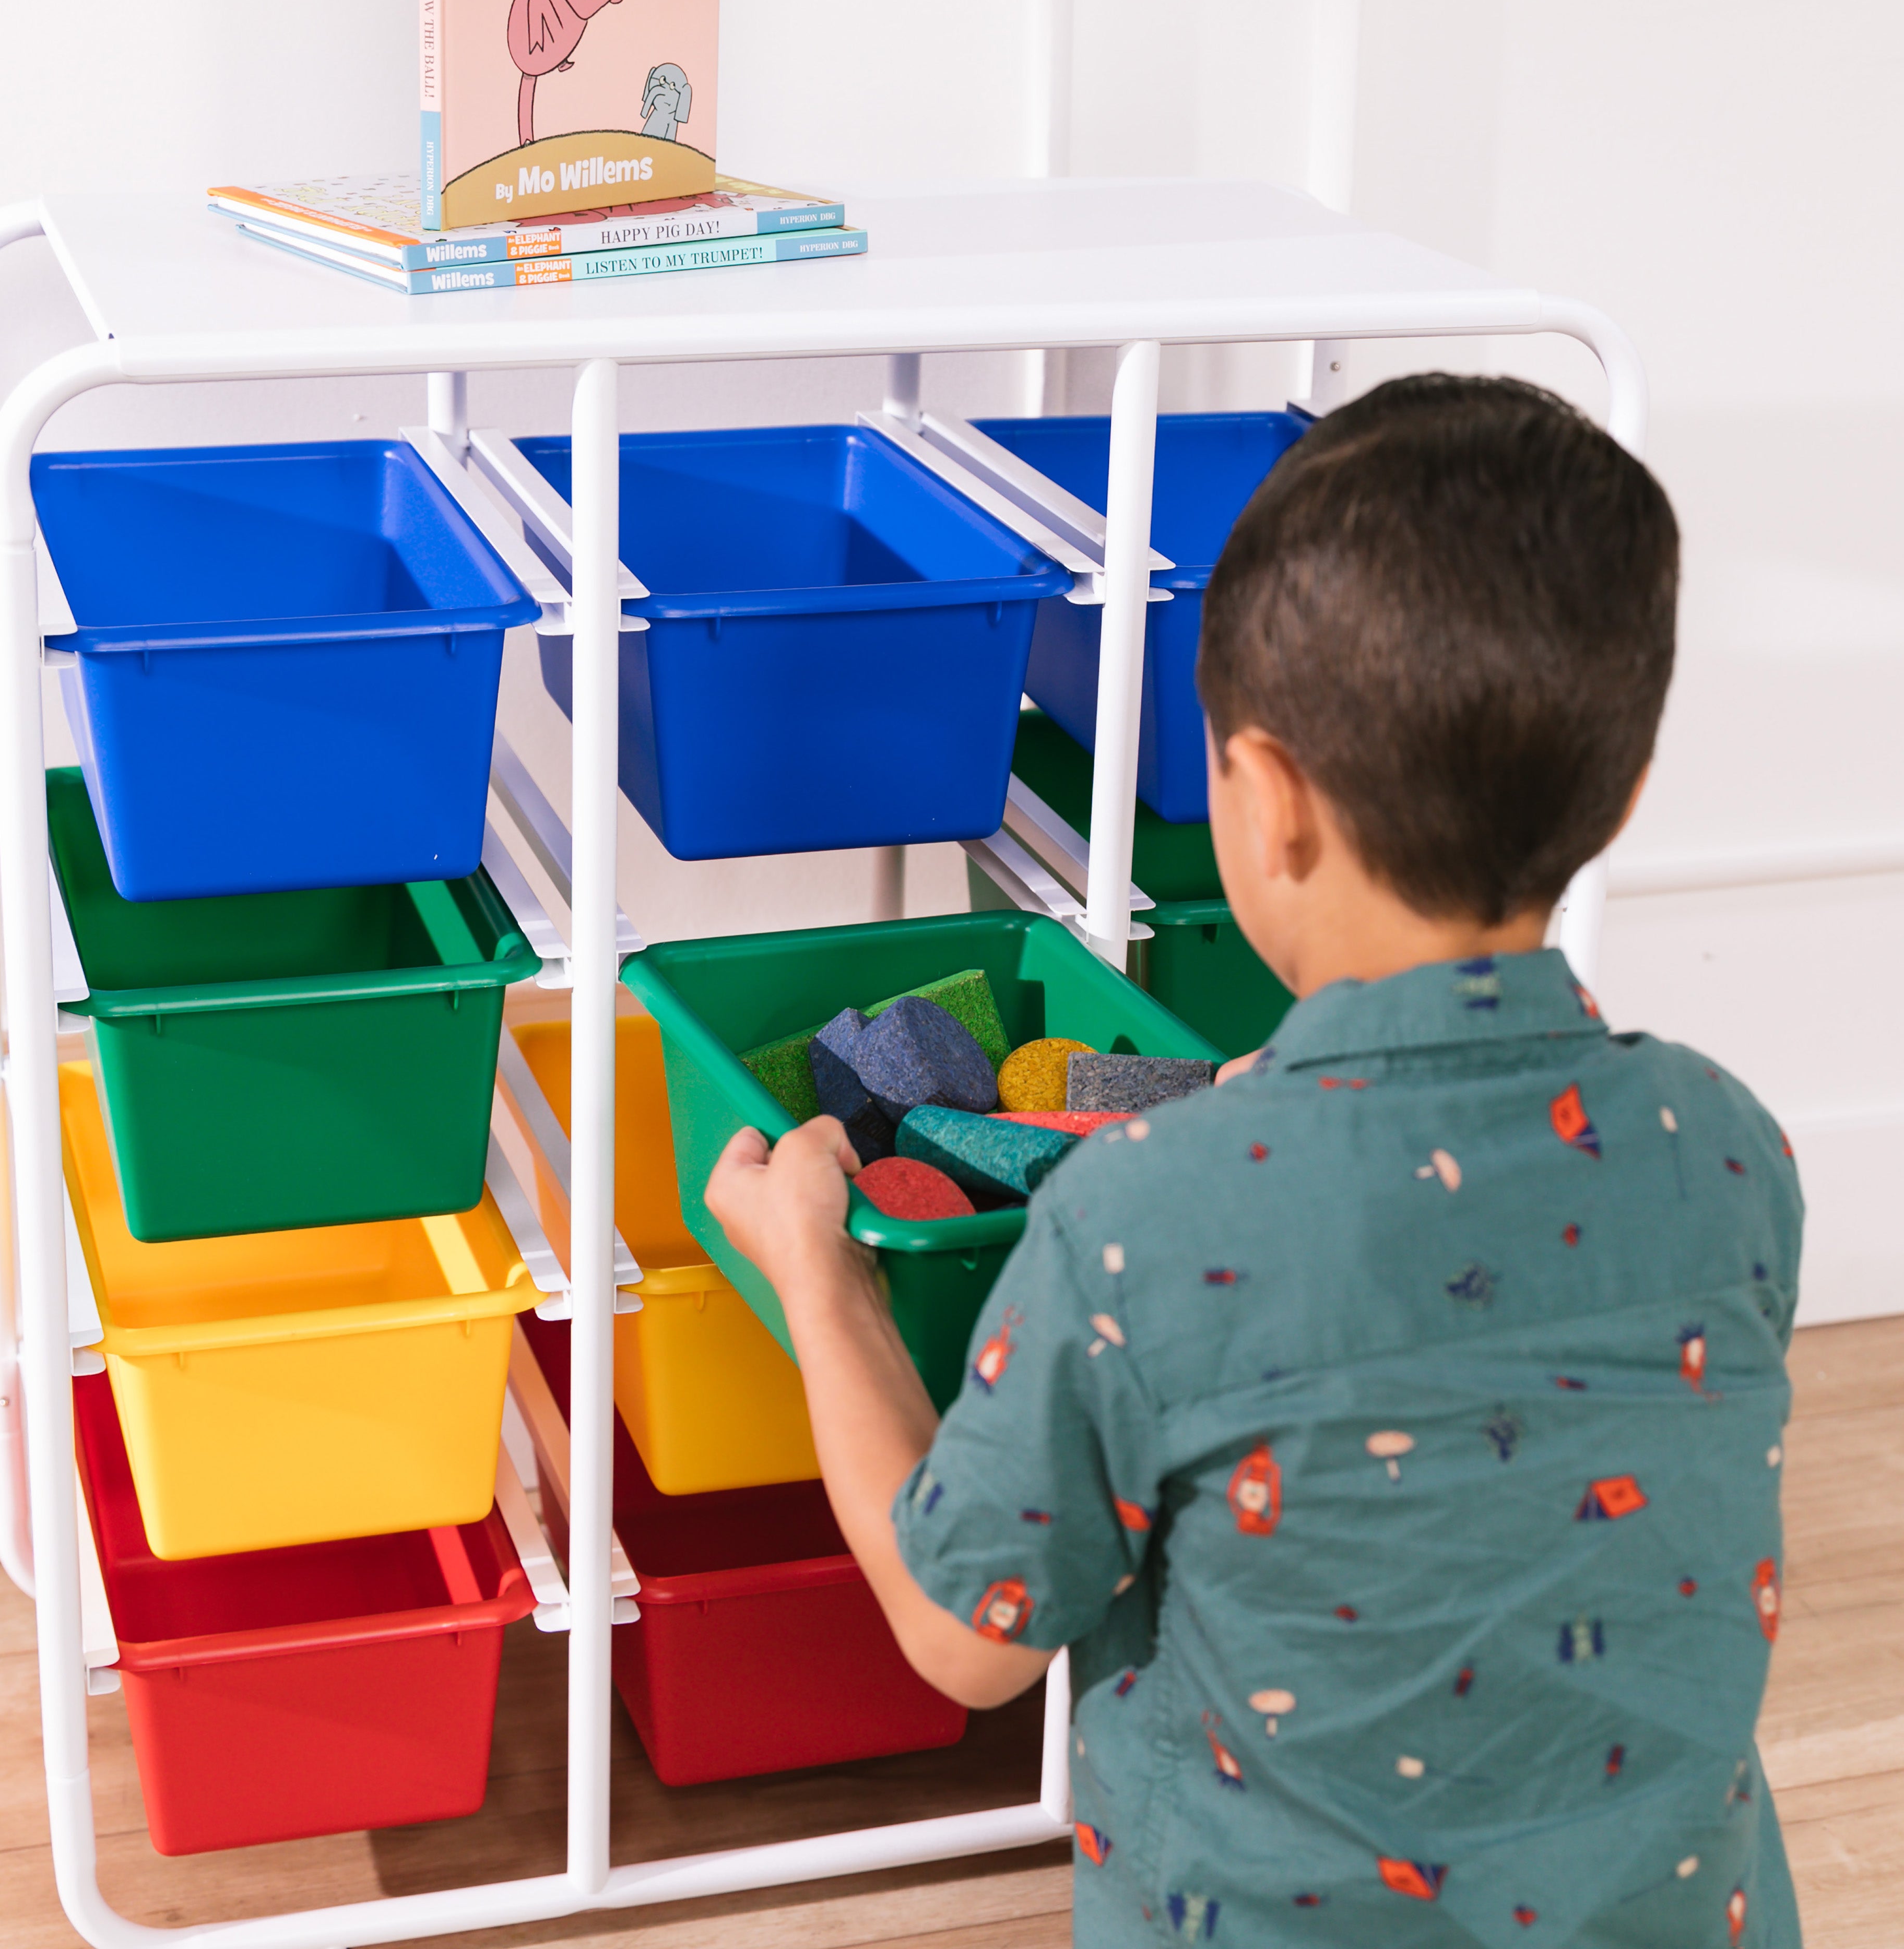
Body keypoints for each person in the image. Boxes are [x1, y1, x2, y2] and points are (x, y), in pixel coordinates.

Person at [705, 374, 1801, 1946]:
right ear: (1621, 797)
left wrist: (820, 1273)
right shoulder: (1731, 1150)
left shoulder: (1141, 1217)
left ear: (1265, 799)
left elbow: (970, 1640)